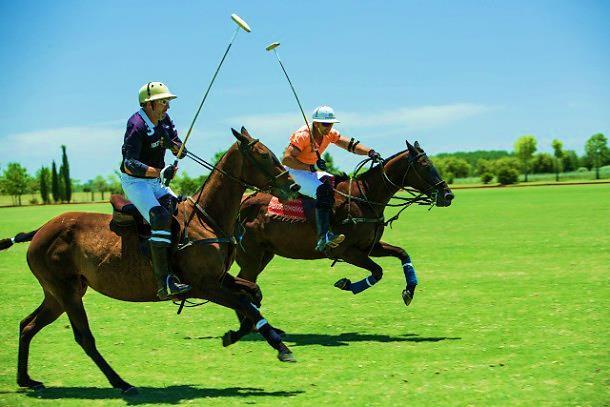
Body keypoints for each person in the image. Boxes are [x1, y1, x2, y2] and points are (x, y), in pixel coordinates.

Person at [119, 81, 191, 300]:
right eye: (163, 102)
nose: (167, 106)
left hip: (155, 181)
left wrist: (179, 149)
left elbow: (176, 143)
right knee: (159, 216)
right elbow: (128, 162)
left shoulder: (164, 119)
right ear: (149, 104)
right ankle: (164, 282)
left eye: (167, 102)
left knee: (177, 207)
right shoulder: (136, 125)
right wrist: (152, 171)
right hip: (135, 182)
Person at [281, 105, 382, 252]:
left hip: (310, 171)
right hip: (294, 172)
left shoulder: (330, 134)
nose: (329, 127)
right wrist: (311, 167)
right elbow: (287, 159)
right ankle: (323, 237)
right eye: (325, 124)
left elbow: (350, 145)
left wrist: (369, 152)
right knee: (323, 190)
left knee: (338, 185)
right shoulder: (303, 135)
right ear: (316, 123)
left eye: (331, 123)